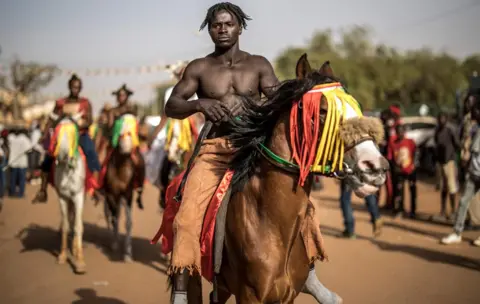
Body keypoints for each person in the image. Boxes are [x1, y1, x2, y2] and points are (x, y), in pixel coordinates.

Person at [165, 3, 340, 304]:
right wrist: (199, 105)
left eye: (228, 24)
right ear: (209, 29)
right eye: (216, 25)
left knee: (300, 203)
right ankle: (182, 291)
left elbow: (276, 101)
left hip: (254, 147)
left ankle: (308, 275)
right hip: (214, 151)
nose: (222, 29)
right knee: (186, 217)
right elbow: (171, 106)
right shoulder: (199, 68)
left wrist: (253, 106)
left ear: (239, 28)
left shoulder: (258, 64)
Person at [32, 74, 101, 203]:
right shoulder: (60, 103)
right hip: (63, 136)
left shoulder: (85, 103)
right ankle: (42, 190)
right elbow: (51, 120)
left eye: (78, 87)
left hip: (80, 135)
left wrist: (78, 123)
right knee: (48, 158)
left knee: (92, 154)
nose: (76, 89)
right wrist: (44, 134)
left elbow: (90, 120)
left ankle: (95, 189)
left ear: (80, 88)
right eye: (73, 87)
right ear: (69, 87)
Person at [441, 98, 480, 246]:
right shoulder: (473, 127)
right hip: (474, 173)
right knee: (463, 201)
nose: (474, 113)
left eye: (477, 110)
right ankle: (457, 232)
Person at [105, 84, 146, 208]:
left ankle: (139, 189)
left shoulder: (132, 109)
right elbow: (110, 127)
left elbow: (137, 125)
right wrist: (118, 125)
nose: (121, 97)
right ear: (117, 97)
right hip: (116, 143)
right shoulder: (113, 111)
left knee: (140, 162)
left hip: (131, 144)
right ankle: (102, 187)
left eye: (123, 95)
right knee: (103, 160)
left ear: (127, 97)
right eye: (119, 95)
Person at [434, 112, 460, 219]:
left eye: (443, 118)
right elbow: (436, 144)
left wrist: (453, 155)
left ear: (446, 119)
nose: (441, 120)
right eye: (440, 118)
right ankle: (443, 211)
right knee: (443, 188)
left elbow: (457, 144)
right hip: (441, 162)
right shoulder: (437, 131)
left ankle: (453, 211)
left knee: (452, 187)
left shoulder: (450, 130)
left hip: (449, 162)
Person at [388, 124, 417, 218]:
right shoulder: (393, 143)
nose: (400, 133)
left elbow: (416, 153)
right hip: (399, 171)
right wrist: (394, 167)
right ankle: (400, 210)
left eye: (401, 131)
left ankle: (413, 211)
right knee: (399, 191)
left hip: (410, 170)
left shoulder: (410, 142)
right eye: (398, 132)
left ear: (404, 132)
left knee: (412, 190)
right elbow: (390, 157)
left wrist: (414, 164)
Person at [8, 124, 31, 198]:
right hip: (22, 162)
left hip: (13, 162)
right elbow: (29, 150)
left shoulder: (14, 139)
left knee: (13, 178)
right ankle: (21, 194)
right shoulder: (25, 139)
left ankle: (12, 193)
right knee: (21, 179)